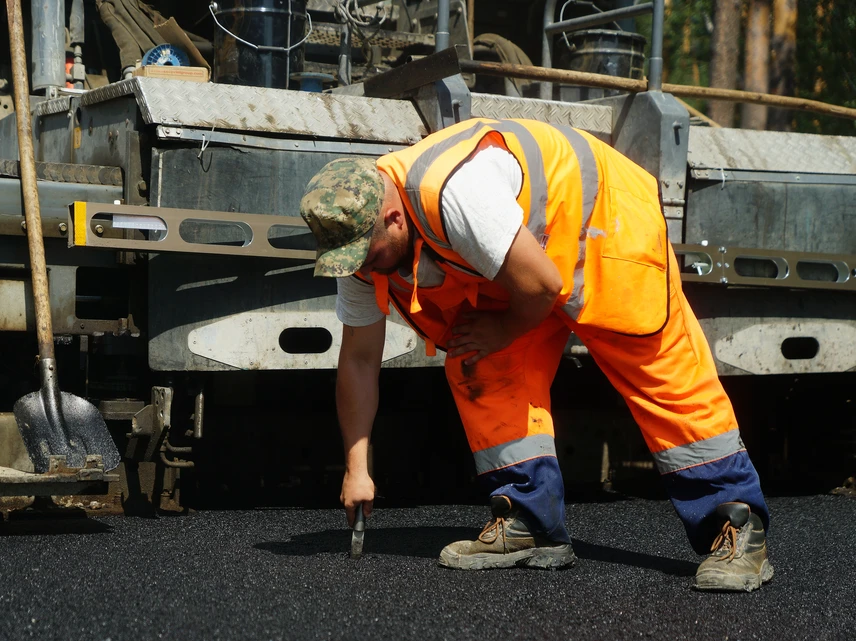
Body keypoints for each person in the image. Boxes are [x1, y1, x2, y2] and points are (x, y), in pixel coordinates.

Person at [298, 117, 773, 592]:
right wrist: (356, 470)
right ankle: (529, 521)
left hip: (603, 224)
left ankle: (736, 524)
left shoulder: (458, 196)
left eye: (372, 255)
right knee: (476, 357)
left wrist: (503, 327)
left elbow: (545, 284)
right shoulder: (358, 242)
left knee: (657, 362)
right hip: (524, 254)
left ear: (393, 218)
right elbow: (359, 359)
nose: (364, 268)